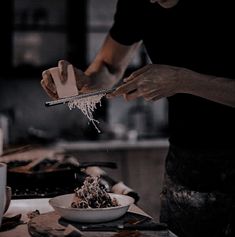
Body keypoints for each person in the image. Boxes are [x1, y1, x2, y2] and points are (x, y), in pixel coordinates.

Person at [41, 0, 235, 236]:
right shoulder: (136, 4)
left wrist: (183, 81)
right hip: (185, 163)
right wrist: (87, 82)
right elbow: (109, 66)